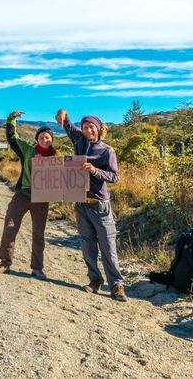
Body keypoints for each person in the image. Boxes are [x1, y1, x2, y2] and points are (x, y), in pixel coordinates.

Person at [55, 109, 127, 302]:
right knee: (87, 246)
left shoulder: (106, 151)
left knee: (108, 246)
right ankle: (94, 281)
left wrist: (95, 170)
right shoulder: (79, 141)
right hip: (81, 204)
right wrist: (62, 112)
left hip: (99, 205)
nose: (88, 130)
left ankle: (117, 285)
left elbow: (114, 177)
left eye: (91, 127)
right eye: (85, 127)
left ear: (99, 128)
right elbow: (67, 124)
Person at [0, 110, 56, 279]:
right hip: (23, 194)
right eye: (41, 137)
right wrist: (11, 120)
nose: (45, 139)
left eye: (48, 137)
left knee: (38, 233)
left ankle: (37, 268)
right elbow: (12, 139)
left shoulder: (56, 157)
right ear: (37, 139)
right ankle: (5, 263)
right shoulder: (28, 150)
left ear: (51, 140)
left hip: (42, 198)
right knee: (10, 225)